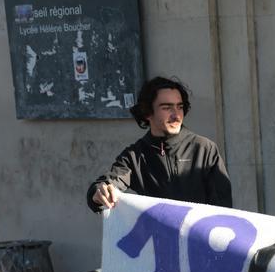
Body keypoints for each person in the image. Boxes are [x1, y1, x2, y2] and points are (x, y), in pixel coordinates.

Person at [87, 77, 232, 212]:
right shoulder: (135, 156)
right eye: (167, 108)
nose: (176, 115)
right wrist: (99, 192)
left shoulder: (204, 149)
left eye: (179, 107)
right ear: (147, 113)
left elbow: (222, 208)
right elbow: (109, 183)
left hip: (197, 237)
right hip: (158, 238)